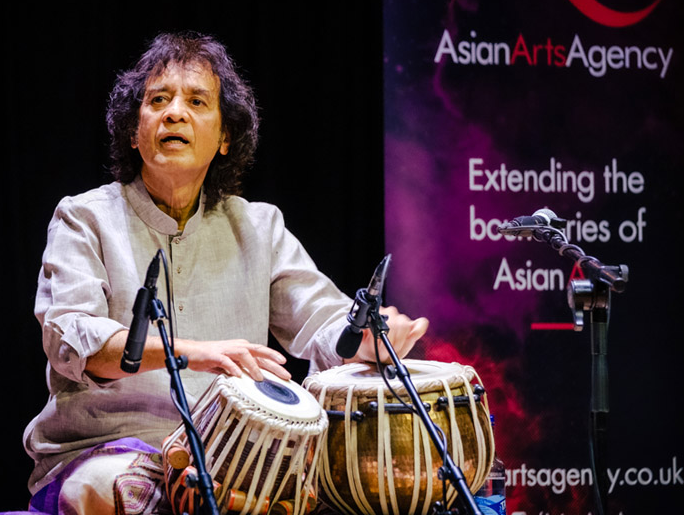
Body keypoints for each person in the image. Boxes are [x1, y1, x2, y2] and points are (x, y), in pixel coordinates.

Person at [21, 31, 429, 514]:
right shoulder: (84, 218)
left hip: (233, 460)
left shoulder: (258, 226)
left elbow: (319, 316)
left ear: (224, 139)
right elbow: (74, 340)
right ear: (134, 131)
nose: (175, 113)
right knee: (116, 492)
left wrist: (362, 337)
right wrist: (194, 353)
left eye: (197, 101)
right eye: (158, 100)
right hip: (107, 450)